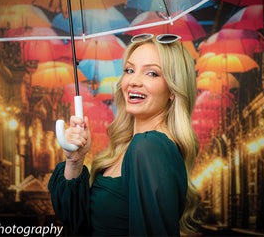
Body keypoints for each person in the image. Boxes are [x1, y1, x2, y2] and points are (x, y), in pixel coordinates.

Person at [48, 33, 201, 236]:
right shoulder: (130, 147)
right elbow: (76, 221)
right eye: (130, 70)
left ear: (173, 89)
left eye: (152, 73)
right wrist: (75, 161)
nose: (133, 81)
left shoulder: (149, 148)